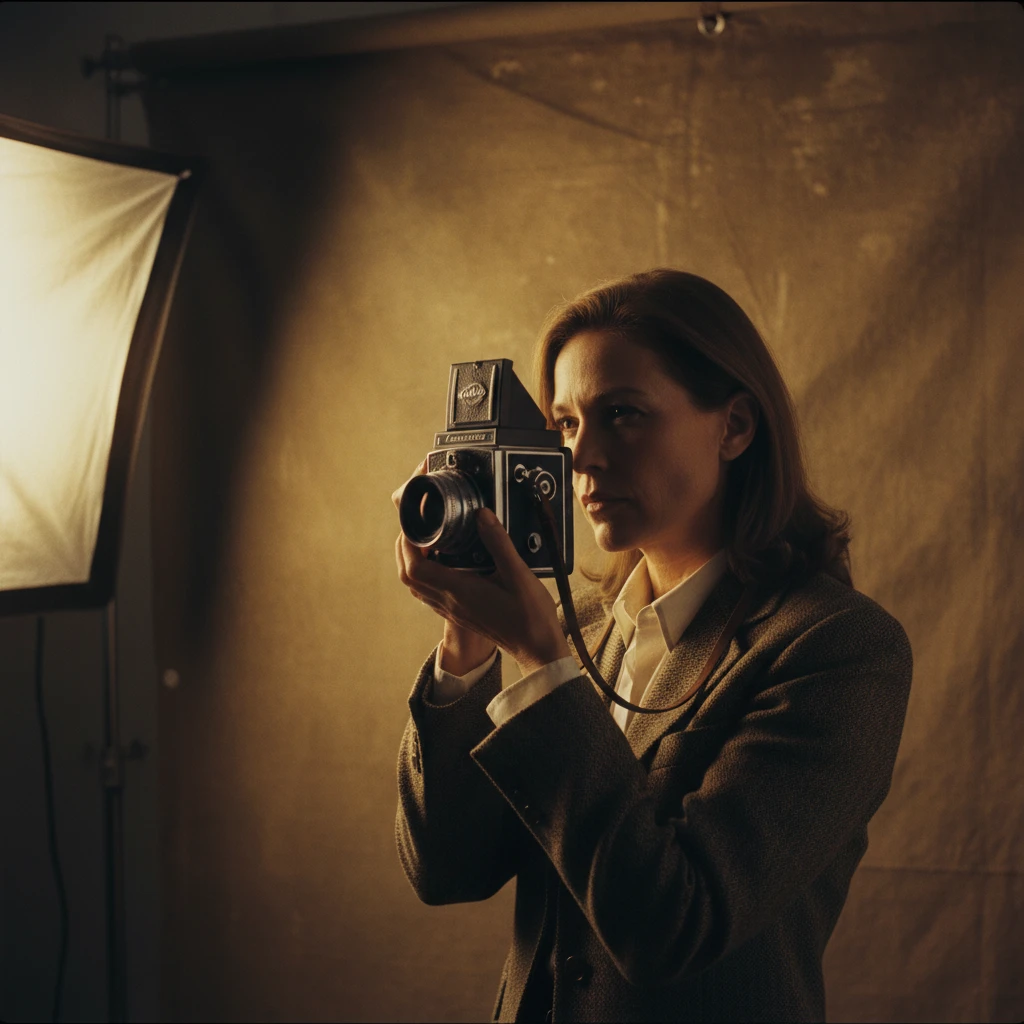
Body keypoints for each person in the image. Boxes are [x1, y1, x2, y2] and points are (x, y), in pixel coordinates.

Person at [392, 269, 912, 1023]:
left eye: (623, 415)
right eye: (565, 425)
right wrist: (465, 643)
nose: (581, 458)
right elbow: (446, 869)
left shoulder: (837, 648)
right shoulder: (583, 632)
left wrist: (541, 665)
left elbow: (676, 924)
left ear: (734, 427)